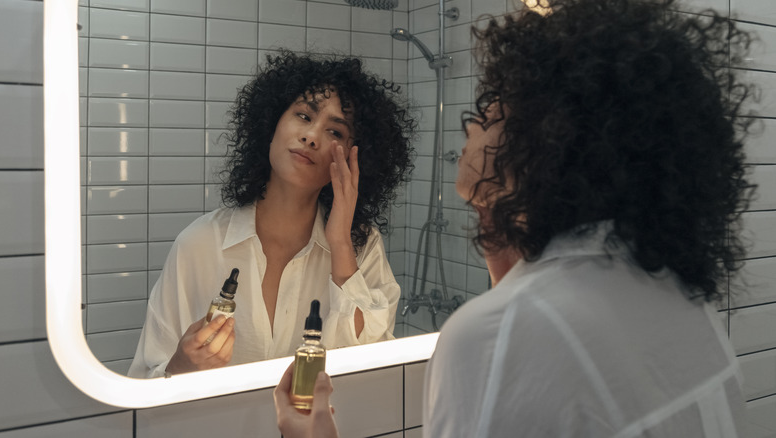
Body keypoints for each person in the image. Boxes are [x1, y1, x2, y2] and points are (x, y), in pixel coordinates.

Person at [273, 0, 758, 436]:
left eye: (493, 110)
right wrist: (495, 215)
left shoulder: (500, 335)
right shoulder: (679, 298)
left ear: (548, 141)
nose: (471, 124)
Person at [128, 51, 416, 378]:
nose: (311, 136)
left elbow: (376, 366)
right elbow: (144, 377)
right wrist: (181, 365)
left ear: (355, 159)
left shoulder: (362, 247)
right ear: (272, 122)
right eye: (304, 116)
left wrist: (339, 244)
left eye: (335, 132)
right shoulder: (199, 243)